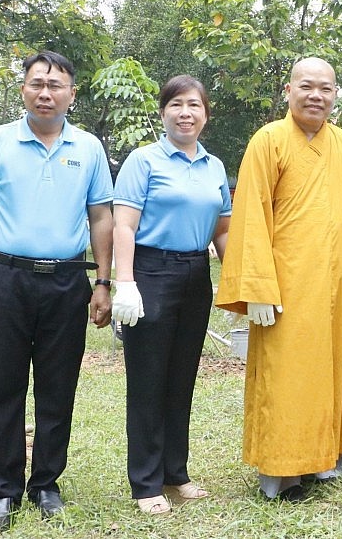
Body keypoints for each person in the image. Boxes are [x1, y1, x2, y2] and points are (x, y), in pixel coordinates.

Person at [214, 57, 342, 502]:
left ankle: (327, 461)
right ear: (289, 90)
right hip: (285, 288)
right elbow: (251, 214)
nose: (316, 95)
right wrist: (256, 287)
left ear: (336, 95)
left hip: (334, 289)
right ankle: (282, 474)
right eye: (307, 87)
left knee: (331, 372)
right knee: (286, 377)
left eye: (326, 89)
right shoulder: (269, 140)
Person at [0, 51, 114, 532]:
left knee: (57, 387)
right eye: (37, 83)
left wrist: (103, 282)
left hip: (68, 282)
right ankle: (3, 490)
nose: (46, 93)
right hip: (5, 280)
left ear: (71, 93)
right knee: (2, 386)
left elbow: (102, 217)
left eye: (56, 85)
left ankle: (46, 483)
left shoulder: (88, 148)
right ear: (23, 88)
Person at [111, 76, 232, 514]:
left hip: (194, 273)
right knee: (148, 381)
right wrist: (125, 281)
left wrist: (237, 281)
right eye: (177, 104)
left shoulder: (214, 166)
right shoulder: (144, 160)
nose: (186, 112)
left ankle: (174, 473)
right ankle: (145, 483)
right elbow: (124, 224)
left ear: (205, 114)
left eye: (194, 105)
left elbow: (222, 230)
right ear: (163, 112)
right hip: (151, 270)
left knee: (182, 379)